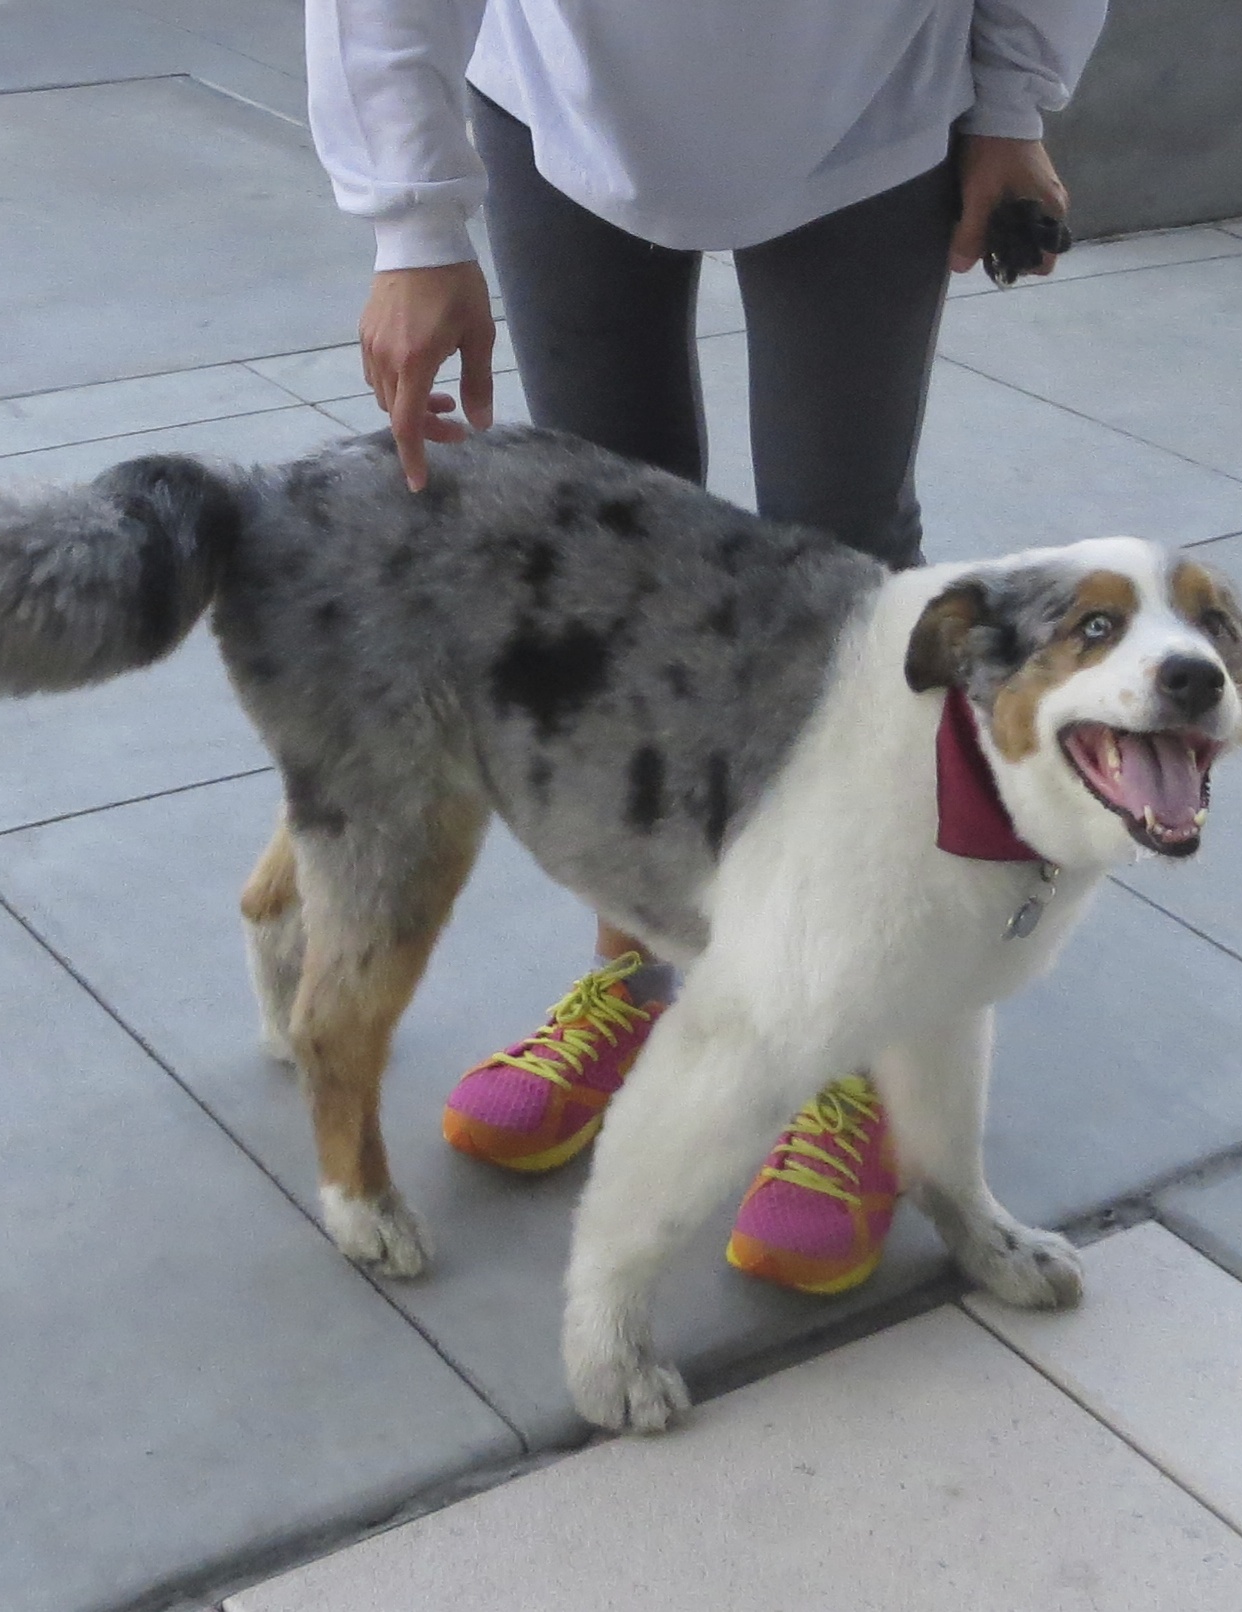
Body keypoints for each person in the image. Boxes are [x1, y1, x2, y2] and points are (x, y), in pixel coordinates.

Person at [304, 0, 1107, 1294]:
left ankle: (851, 1050)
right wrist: (412, 221)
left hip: (864, 103)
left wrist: (1010, 101)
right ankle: (637, 976)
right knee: (615, 574)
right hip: (570, 99)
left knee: (849, 582)